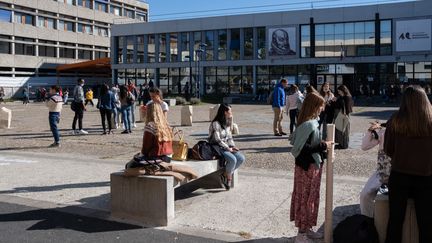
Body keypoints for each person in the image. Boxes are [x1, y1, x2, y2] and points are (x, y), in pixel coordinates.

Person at [383, 86, 432, 243]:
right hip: (426, 177)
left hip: (399, 176)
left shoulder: (395, 120)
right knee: (426, 223)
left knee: (395, 221)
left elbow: (388, 149)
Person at [290, 92, 331, 243]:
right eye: (321, 105)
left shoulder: (311, 121)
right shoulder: (307, 124)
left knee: (311, 198)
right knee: (305, 198)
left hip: (312, 165)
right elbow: (302, 148)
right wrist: (323, 145)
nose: (323, 107)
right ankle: (301, 234)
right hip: (307, 167)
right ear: (314, 106)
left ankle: (307, 229)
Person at [208, 104, 245, 190]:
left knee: (241, 158)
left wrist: (232, 146)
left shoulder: (227, 123)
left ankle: (224, 175)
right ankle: (228, 178)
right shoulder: (215, 123)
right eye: (230, 111)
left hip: (226, 146)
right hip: (216, 147)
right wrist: (228, 148)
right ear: (225, 112)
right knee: (233, 159)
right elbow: (217, 140)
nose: (231, 113)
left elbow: (229, 137)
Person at [360, 121, 391, 218]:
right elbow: (364, 146)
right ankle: (367, 221)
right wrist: (370, 131)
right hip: (383, 172)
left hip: (400, 172)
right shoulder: (384, 132)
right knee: (365, 195)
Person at [331, 85, 353, 149]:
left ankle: (344, 144)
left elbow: (348, 107)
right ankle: (340, 143)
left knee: (344, 130)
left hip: (344, 115)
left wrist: (344, 113)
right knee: (339, 129)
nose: (339, 92)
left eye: (339, 91)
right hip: (340, 115)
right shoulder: (341, 97)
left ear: (343, 90)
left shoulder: (347, 97)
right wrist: (334, 101)